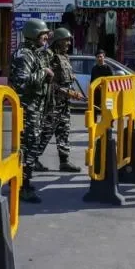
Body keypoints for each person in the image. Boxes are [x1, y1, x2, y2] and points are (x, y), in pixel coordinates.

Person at [9, 18, 54, 204]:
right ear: (34, 34)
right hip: (27, 109)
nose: (45, 38)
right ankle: (22, 187)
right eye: (43, 34)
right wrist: (44, 73)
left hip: (36, 107)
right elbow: (21, 82)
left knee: (31, 147)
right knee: (27, 148)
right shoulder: (24, 54)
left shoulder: (35, 53)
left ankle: (23, 182)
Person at [38, 27, 84, 172]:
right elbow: (47, 81)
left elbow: (66, 79)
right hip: (53, 102)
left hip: (64, 103)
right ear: (58, 41)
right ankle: (33, 159)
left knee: (64, 131)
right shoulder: (49, 56)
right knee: (46, 131)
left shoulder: (65, 56)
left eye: (69, 41)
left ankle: (64, 161)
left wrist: (71, 90)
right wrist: (65, 91)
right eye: (66, 40)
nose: (69, 44)